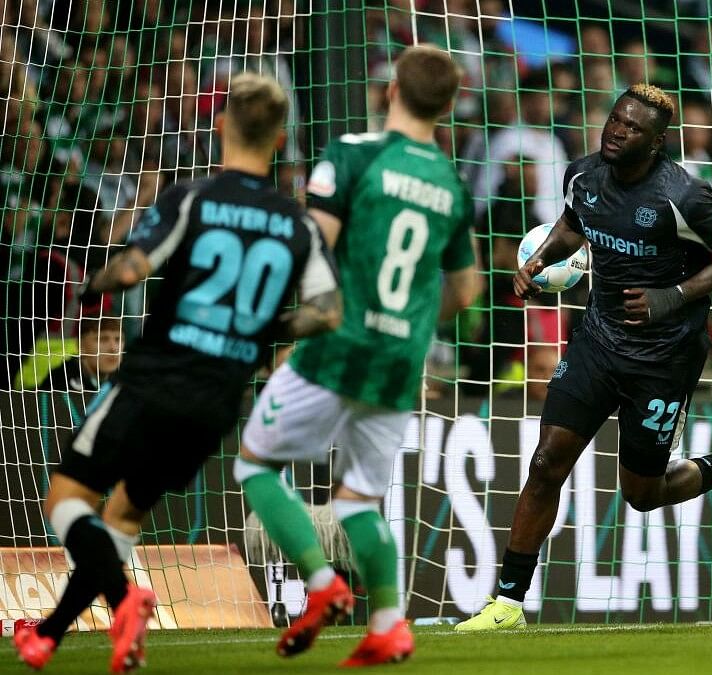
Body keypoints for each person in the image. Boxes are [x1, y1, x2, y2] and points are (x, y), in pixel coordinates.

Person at [13, 71, 342, 671]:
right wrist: (267, 333)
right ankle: (51, 634)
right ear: (278, 140)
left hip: (154, 379)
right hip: (216, 401)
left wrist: (92, 284)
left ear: (220, 126)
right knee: (122, 517)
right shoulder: (297, 224)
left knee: (65, 497)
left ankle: (123, 599)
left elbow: (134, 268)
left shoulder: (192, 197)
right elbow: (328, 311)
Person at [456, 83, 712, 632]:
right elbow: (575, 223)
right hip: (597, 343)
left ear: (657, 142)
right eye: (615, 120)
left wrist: (672, 297)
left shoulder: (684, 195)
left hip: (664, 358)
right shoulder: (583, 173)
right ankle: (507, 604)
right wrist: (541, 259)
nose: (616, 131)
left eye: (632, 128)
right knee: (546, 462)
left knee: (642, 495)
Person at [235, 45, 479, 666]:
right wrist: (412, 325)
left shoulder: (353, 153)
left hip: (339, 345)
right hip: (402, 361)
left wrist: (290, 330)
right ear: (448, 106)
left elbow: (316, 249)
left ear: (390, 89)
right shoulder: (450, 183)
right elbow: (467, 290)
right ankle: (392, 623)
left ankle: (322, 584)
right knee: (357, 501)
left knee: (254, 466)